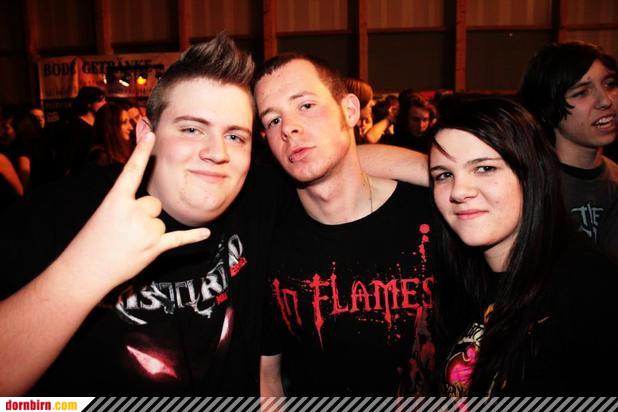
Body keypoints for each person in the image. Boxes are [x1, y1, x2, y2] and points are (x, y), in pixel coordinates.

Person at [0, 33, 282, 395]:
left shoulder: (259, 199)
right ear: (146, 134)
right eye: (192, 129)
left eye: (234, 137)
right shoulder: (59, 213)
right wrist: (84, 269)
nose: (217, 152)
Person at [254, 54, 436, 396]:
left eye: (306, 105)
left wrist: (443, 175)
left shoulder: (433, 212)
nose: (288, 127)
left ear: (350, 111)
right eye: (273, 119)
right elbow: (268, 377)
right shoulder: (267, 238)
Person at [427, 96, 617, 395]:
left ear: (531, 173)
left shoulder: (588, 287)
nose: (459, 191)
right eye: (444, 175)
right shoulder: (462, 277)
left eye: (485, 168)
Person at [519, 41, 618, 259]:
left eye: (610, 84)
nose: (606, 101)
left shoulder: (614, 178)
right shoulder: (529, 188)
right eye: (581, 93)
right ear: (547, 108)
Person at [88, 103, 134, 167]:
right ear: (111, 126)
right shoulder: (101, 157)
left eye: (129, 121)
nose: (131, 127)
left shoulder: (121, 147)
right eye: (124, 122)